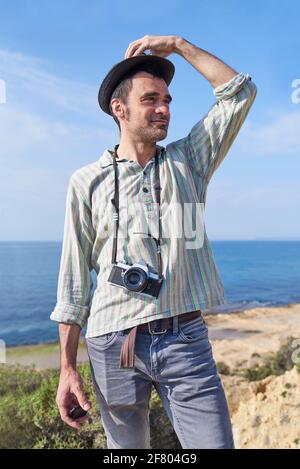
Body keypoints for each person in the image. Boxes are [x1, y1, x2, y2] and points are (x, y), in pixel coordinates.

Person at [51, 35, 257, 449]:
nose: (163, 108)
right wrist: (67, 368)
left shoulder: (189, 161)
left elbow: (239, 93)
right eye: (150, 99)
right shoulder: (86, 181)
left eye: (167, 99)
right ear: (120, 109)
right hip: (111, 343)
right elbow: (74, 283)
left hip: (185, 337)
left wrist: (180, 46)